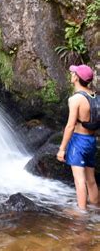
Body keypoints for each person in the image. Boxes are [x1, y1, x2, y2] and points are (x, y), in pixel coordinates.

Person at [57, 64, 98, 211]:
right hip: (92, 141)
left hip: (79, 142)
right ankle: (95, 210)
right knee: (91, 180)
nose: (71, 74)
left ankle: (82, 215)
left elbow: (70, 126)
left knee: (79, 181)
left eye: (73, 73)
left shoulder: (75, 99)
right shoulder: (95, 96)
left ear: (76, 77)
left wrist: (62, 149)